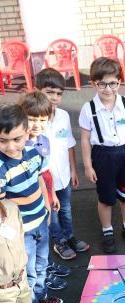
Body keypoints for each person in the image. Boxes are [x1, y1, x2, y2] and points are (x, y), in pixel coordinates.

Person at [0, 104, 64, 303]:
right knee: (26, 274)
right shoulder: (1, 167)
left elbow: (39, 180)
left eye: (17, 139)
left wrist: (47, 206)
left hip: (40, 222)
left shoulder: (34, 152)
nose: (10, 146)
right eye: (2, 141)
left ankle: (41, 296)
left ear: (28, 133)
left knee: (41, 265)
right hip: (21, 232)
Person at [79, 57, 125, 253]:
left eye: (113, 83)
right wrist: (88, 165)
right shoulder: (88, 108)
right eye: (102, 84)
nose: (108, 89)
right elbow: (85, 139)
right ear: (94, 83)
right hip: (102, 156)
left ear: (119, 82)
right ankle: (107, 230)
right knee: (106, 197)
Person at [35, 68, 89, 261]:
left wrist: (74, 170)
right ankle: (59, 241)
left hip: (64, 175)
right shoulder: (33, 121)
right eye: (49, 92)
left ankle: (69, 236)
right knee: (53, 212)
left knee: (66, 209)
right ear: (37, 91)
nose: (54, 98)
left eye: (59, 93)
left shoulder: (64, 116)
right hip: (45, 179)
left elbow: (69, 145)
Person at [19, 91, 68, 292]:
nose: (37, 125)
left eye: (42, 119)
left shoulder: (44, 140)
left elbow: (44, 173)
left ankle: (45, 269)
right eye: (32, 119)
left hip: (44, 194)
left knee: (44, 236)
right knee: (29, 251)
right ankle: (38, 281)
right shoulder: (18, 144)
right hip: (26, 206)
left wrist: (52, 194)